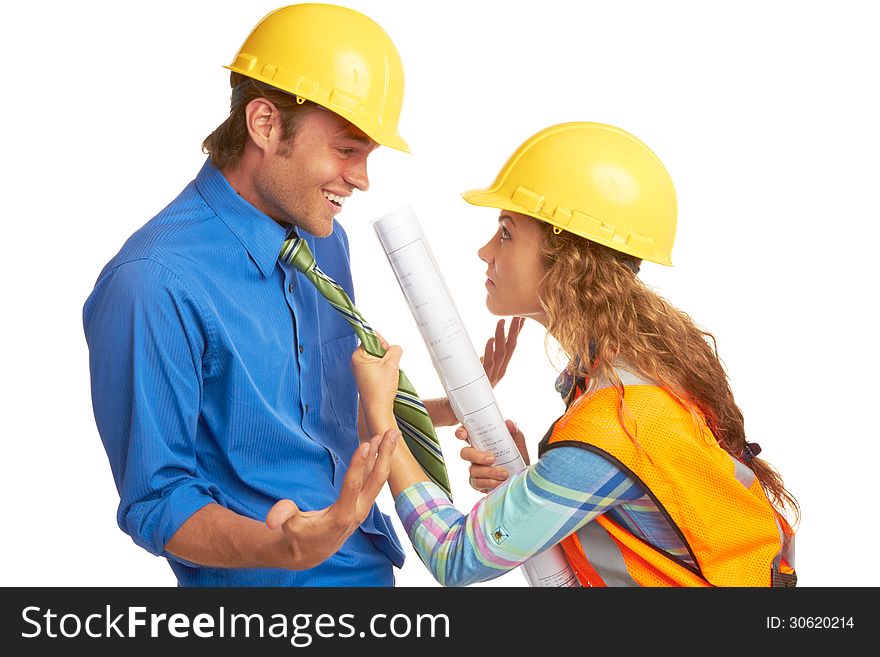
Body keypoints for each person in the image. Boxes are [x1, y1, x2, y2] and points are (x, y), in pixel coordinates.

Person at [82, 3, 519, 587]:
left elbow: (328, 419)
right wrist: (284, 546)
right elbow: (156, 501)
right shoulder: (153, 282)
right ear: (265, 124)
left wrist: (449, 407)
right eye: (346, 150)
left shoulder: (323, 242)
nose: (363, 178)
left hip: (368, 573)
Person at [352, 122, 800, 587]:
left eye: (506, 232)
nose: (485, 251)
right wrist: (535, 484)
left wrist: (382, 419)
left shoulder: (616, 423)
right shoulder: (639, 377)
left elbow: (456, 556)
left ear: (568, 260)